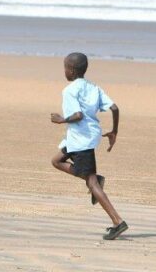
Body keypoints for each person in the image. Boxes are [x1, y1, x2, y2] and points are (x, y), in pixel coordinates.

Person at [50, 52, 128, 240]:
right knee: (56, 160)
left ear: (71, 70)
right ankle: (94, 178)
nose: (64, 71)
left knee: (91, 183)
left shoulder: (69, 91)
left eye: (65, 67)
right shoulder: (93, 87)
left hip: (81, 139)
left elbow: (78, 116)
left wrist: (62, 120)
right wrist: (114, 131)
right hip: (87, 136)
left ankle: (118, 221)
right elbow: (115, 108)